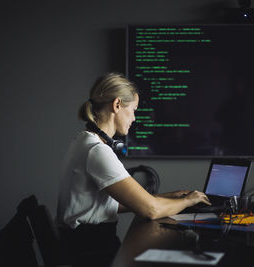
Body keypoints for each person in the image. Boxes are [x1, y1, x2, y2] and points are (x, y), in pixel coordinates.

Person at [56, 72, 210, 266]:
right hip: (92, 253)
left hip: (82, 246)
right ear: (117, 105)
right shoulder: (97, 151)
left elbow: (110, 205)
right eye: (134, 110)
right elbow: (151, 210)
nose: (135, 118)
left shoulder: (84, 141)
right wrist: (189, 200)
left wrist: (170, 196)